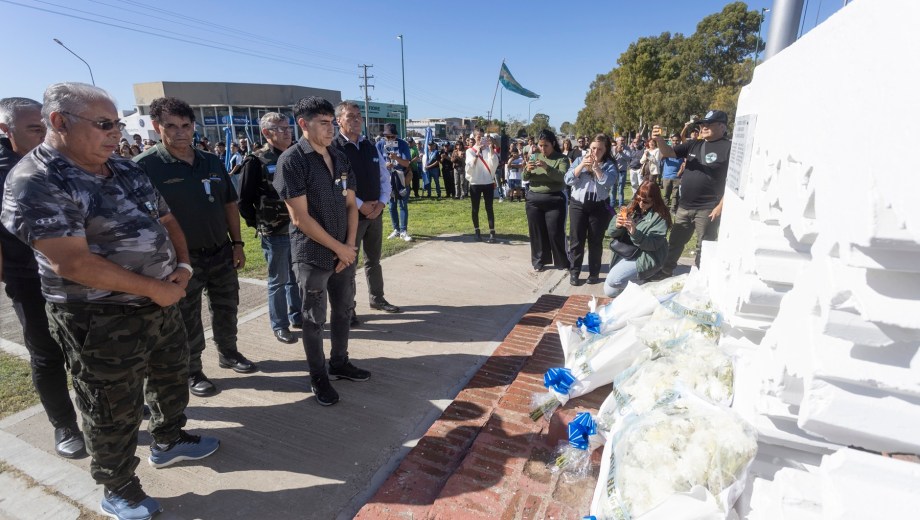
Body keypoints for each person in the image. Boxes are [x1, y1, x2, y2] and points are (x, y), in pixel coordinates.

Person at [1, 82, 218, 520]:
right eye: (104, 124)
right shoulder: (36, 179)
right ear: (59, 122)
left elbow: (167, 217)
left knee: (171, 378)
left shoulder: (123, 168)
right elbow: (71, 262)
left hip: (161, 301)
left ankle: (170, 440)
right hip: (98, 317)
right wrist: (159, 289)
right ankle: (118, 487)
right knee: (110, 408)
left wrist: (183, 266)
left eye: (117, 124)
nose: (115, 133)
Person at [135, 97, 256, 399]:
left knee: (227, 308)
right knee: (187, 318)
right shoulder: (144, 167)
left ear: (193, 126)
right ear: (156, 127)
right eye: (171, 126)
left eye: (185, 126)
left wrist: (237, 244)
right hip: (179, 261)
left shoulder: (210, 161)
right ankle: (192, 370)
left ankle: (229, 353)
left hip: (220, 252)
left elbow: (230, 203)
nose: (180, 133)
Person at [0, 97, 85, 459]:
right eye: (35, 128)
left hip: (80, 272)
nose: (44, 134)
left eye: (46, 126)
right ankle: (64, 424)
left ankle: (107, 406)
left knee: (89, 347)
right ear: (6, 129)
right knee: (47, 354)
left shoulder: (64, 160)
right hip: (29, 279)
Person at [274, 96, 370, 407]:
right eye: (324, 123)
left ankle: (339, 362)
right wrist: (339, 248)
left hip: (344, 253)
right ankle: (318, 375)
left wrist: (350, 246)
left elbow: (350, 205)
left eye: (332, 123)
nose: (331, 129)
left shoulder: (339, 157)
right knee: (313, 319)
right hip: (313, 255)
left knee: (343, 311)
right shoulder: (292, 161)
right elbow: (300, 218)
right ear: (303, 124)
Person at [331, 102, 400, 327]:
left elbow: (384, 177)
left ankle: (377, 298)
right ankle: (347, 309)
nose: (357, 120)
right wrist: (360, 205)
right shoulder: (335, 148)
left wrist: (381, 204)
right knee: (348, 265)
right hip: (351, 217)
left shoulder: (370, 146)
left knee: (374, 260)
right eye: (351, 116)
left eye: (359, 116)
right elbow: (336, 184)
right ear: (339, 120)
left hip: (375, 215)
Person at [238, 112, 303, 344]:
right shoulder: (256, 161)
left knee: (295, 276)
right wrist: (258, 223)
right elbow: (243, 200)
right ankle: (280, 324)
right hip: (274, 232)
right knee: (278, 280)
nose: (288, 132)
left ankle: (298, 316)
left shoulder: (296, 155)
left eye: (288, 128)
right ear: (266, 133)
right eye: (281, 129)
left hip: (298, 229)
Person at [654, 110, 732, 276]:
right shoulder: (694, 144)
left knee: (704, 246)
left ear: (722, 126)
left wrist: (721, 206)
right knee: (675, 242)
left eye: (708, 124)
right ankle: (665, 271)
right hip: (685, 206)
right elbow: (668, 152)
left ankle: (700, 277)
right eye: (702, 124)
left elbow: (733, 182)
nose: (703, 127)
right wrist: (659, 140)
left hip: (708, 208)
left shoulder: (729, 148)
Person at [603, 181, 671, 297]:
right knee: (610, 291)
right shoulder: (632, 206)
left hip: (645, 256)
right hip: (626, 251)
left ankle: (645, 285)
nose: (640, 204)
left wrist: (634, 232)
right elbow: (611, 232)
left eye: (645, 201)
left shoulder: (660, 216)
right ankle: (637, 283)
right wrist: (617, 225)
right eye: (638, 199)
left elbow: (653, 245)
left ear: (654, 200)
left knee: (613, 280)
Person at [565, 134, 617, 286]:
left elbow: (609, 182)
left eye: (600, 149)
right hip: (578, 205)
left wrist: (596, 168)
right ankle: (574, 272)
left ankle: (594, 273)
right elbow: (567, 179)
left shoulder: (609, 165)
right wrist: (581, 166)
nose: (595, 152)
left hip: (598, 206)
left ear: (606, 150)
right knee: (576, 240)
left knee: (595, 241)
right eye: (593, 148)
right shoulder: (579, 160)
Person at [523, 129, 570, 271]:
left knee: (555, 232)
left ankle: (562, 262)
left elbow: (562, 177)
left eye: (546, 146)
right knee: (537, 233)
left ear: (553, 144)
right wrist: (527, 170)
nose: (542, 149)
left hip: (554, 199)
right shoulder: (534, 156)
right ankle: (539, 261)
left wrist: (547, 167)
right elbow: (525, 178)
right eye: (540, 145)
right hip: (534, 199)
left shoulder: (561, 158)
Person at [378, 123, 413, 242]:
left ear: (396, 136)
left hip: (401, 178)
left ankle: (403, 230)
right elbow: (374, 162)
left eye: (392, 137)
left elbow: (407, 163)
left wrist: (396, 158)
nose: (389, 139)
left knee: (403, 204)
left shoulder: (402, 144)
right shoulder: (380, 144)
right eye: (387, 137)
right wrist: (384, 164)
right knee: (391, 206)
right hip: (387, 179)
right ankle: (396, 229)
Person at [465, 128, 499, 243]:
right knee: (475, 208)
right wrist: (477, 153)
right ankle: (477, 231)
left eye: (482, 136)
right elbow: (469, 166)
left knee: (489, 208)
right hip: (475, 183)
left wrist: (491, 149)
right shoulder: (470, 151)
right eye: (478, 136)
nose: (480, 138)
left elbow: (494, 163)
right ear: (474, 137)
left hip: (488, 182)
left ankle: (492, 233)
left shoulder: (488, 149)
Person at [660, 133, 684, 213]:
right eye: (673, 140)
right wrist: (665, 154)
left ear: (680, 141)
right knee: (666, 195)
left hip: (677, 176)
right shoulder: (668, 150)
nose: (675, 142)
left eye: (677, 140)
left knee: (675, 196)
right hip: (666, 176)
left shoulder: (683, 150)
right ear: (671, 141)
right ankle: (665, 210)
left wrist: (681, 171)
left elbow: (685, 162)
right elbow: (661, 158)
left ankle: (673, 210)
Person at [612, 136, 630, 207]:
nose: (622, 141)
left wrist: (622, 153)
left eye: (623, 140)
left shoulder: (627, 149)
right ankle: (612, 204)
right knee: (613, 189)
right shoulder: (612, 148)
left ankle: (621, 205)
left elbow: (628, 159)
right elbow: (611, 158)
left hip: (622, 171)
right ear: (617, 141)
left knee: (620, 189)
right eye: (621, 140)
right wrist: (616, 152)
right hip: (614, 171)